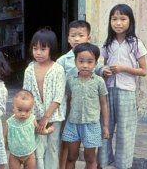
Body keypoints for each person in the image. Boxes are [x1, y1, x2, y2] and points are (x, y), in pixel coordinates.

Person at [97, 4, 147, 169]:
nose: (118, 23)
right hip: (108, 90)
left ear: (130, 21)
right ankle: (104, 163)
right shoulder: (108, 43)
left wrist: (124, 69)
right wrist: (104, 71)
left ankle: (123, 165)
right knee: (106, 128)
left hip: (126, 91)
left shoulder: (135, 44)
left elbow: (143, 71)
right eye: (114, 19)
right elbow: (104, 65)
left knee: (125, 131)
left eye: (122, 19)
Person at [56, 20, 102, 169]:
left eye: (81, 35)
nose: (76, 39)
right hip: (66, 108)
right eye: (73, 36)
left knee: (89, 154)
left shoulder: (93, 59)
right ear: (68, 39)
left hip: (88, 111)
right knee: (66, 143)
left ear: (88, 38)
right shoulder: (63, 61)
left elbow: (100, 76)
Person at [23, 28, 66, 169]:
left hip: (53, 117)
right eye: (35, 48)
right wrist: (32, 117)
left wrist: (46, 117)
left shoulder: (58, 69)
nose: (38, 52)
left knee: (52, 149)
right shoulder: (29, 70)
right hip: (35, 117)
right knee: (38, 149)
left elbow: (58, 97)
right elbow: (26, 94)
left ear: (51, 49)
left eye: (43, 49)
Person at [61, 42, 109, 169]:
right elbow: (68, 100)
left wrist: (105, 126)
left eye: (89, 61)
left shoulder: (99, 82)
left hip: (92, 124)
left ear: (96, 62)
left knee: (90, 158)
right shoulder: (70, 80)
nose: (85, 65)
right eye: (81, 61)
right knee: (71, 156)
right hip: (73, 124)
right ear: (76, 61)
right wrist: (64, 121)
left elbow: (104, 104)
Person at [4, 89, 54, 169]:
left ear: (31, 109)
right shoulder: (9, 122)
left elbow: (38, 130)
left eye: (27, 111)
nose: (23, 114)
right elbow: (5, 137)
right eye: (19, 110)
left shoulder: (32, 119)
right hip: (14, 155)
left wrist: (47, 131)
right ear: (13, 108)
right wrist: (3, 149)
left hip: (29, 155)